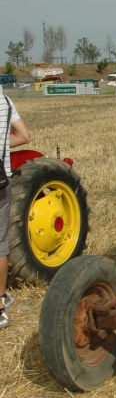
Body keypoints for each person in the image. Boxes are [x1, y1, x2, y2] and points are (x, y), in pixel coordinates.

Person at [0, 92, 31, 328]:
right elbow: (24, 136)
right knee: (0, 244)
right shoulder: (4, 100)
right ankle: (0, 303)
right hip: (2, 181)